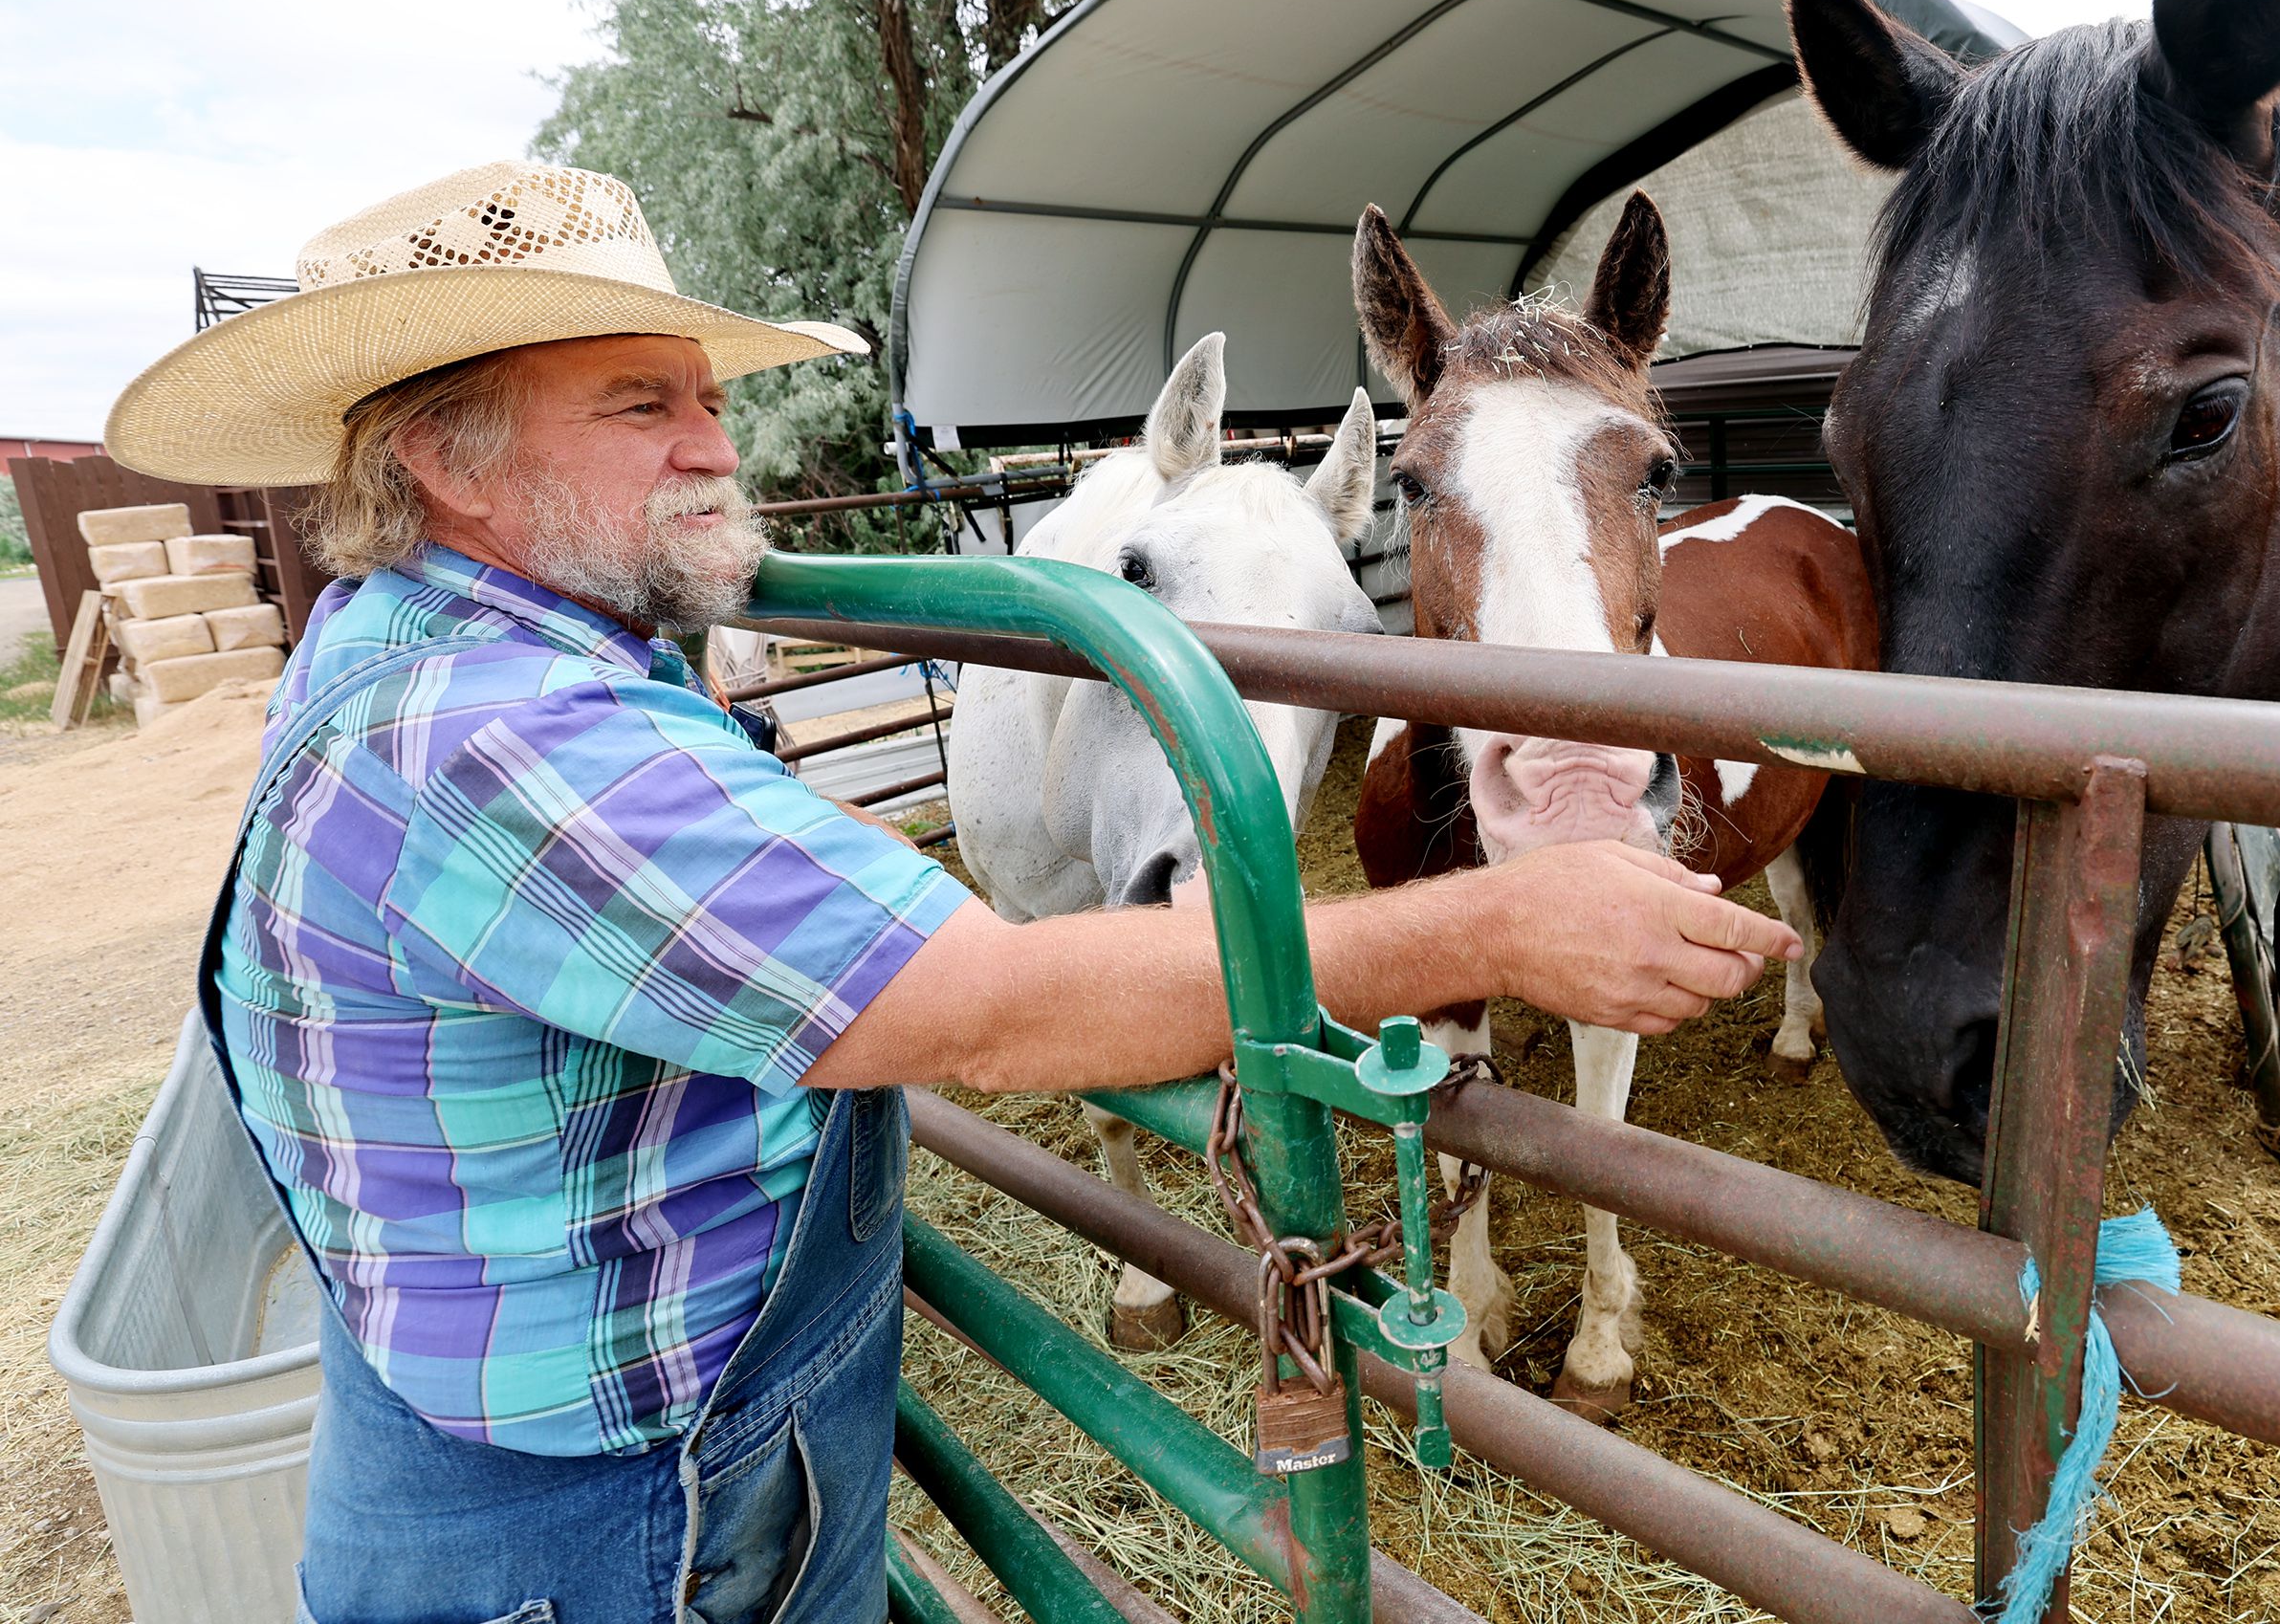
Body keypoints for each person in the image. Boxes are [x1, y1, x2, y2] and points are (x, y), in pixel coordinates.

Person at [106, 163, 1797, 1624]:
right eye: (642, 406)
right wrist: (1490, 926)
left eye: (705, 393)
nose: (718, 444)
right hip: (620, 1526)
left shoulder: (404, 643)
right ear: (450, 466)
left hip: (591, 1446)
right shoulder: (495, 741)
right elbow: (994, 1007)